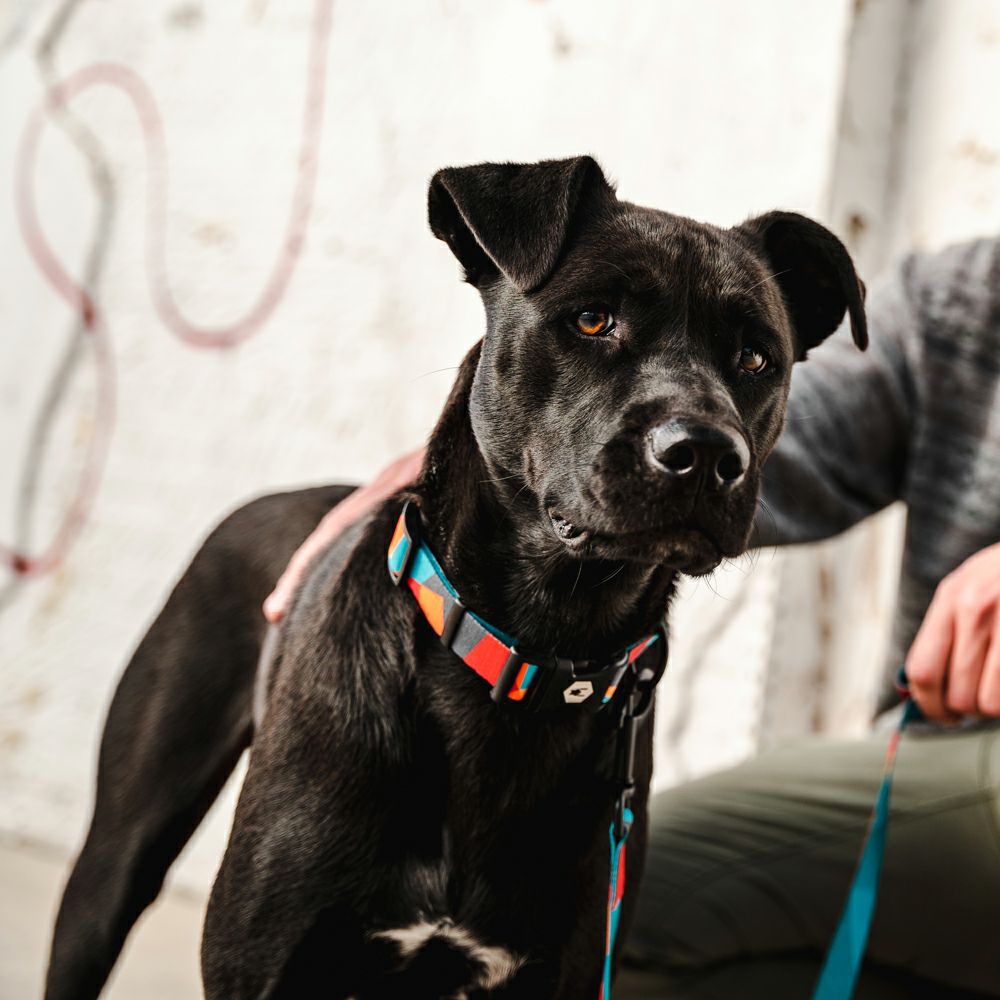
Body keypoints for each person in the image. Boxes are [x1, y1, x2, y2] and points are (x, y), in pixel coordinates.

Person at [264, 237, 1000, 998]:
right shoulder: (967, 297)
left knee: (603, 924)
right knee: (642, 939)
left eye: (754, 358)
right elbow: (776, 449)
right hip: (935, 761)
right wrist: (471, 464)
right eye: (593, 321)